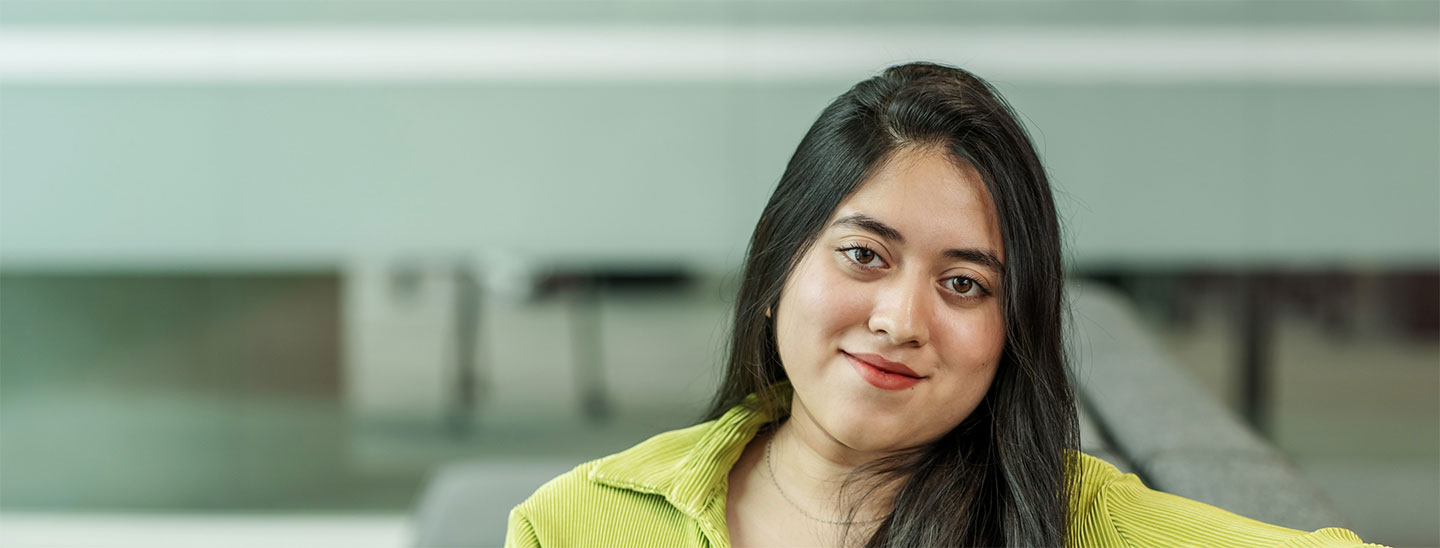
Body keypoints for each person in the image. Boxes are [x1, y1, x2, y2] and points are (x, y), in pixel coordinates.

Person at [504, 62, 1382, 547]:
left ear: (1011, 333)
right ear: (777, 271)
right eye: (862, 255)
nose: (900, 319)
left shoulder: (1073, 520)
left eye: (964, 284)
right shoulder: (579, 521)